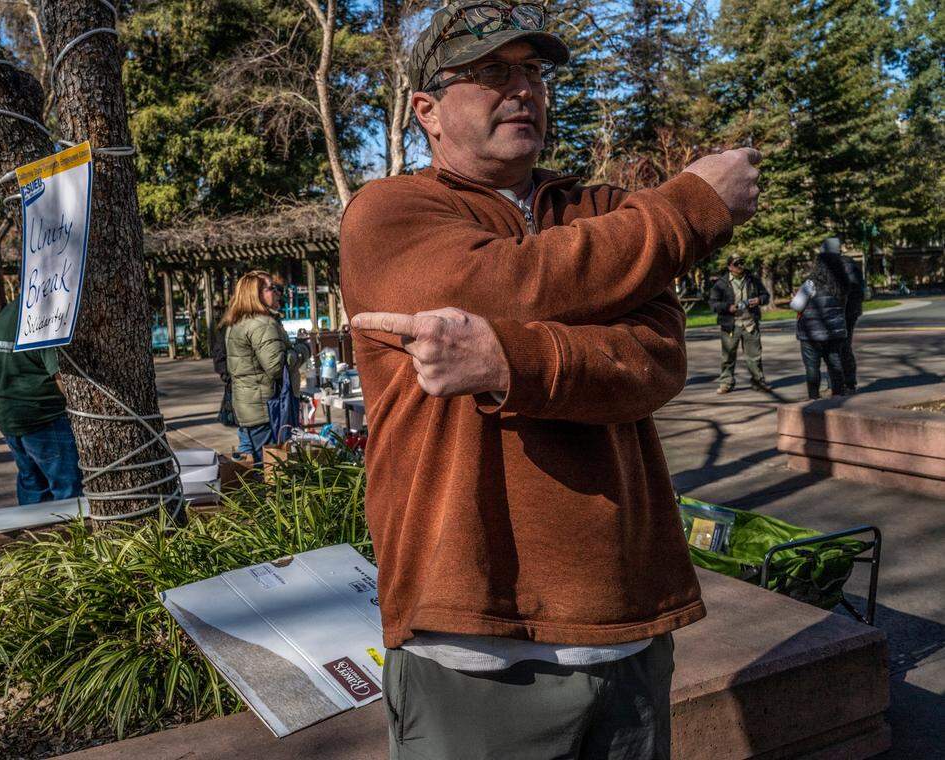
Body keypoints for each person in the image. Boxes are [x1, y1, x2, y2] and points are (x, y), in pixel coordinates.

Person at [339, 2, 760, 757]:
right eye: (493, 72)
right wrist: (690, 207)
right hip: (472, 640)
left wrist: (509, 363)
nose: (524, 89)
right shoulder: (389, 212)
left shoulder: (598, 210)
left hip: (626, 628)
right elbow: (506, 285)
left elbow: (655, 357)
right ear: (426, 111)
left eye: (533, 72)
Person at [0, 297, 83, 505]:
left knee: (33, 487)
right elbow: (60, 377)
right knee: (68, 491)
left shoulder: (6, 314)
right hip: (43, 416)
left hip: (9, 414)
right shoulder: (42, 316)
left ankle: (34, 536)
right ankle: (69, 536)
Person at [222, 271, 309, 464]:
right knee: (273, 470)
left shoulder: (238, 322)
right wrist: (303, 349)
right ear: (256, 294)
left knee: (247, 465)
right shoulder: (262, 324)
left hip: (248, 409)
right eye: (271, 288)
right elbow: (276, 366)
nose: (278, 292)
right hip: (267, 411)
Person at [790, 248, 850, 400]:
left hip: (811, 332)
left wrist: (795, 297)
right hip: (835, 332)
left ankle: (814, 397)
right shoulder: (842, 284)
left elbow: (797, 305)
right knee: (835, 363)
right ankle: (838, 393)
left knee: (812, 366)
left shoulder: (810, 284)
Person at [708, 255, 773, 394]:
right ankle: (726, 383)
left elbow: (766, 297)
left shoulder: (753, 280)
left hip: (750, 324)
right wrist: (728, 307)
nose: (740, 266)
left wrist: (759, 300)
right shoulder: (721, 283)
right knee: (728, 357)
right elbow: (713, 304)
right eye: (736, 263)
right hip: (730, 325)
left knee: (754, 356)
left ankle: (758, 382)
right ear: (729, 266)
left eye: (742, 263)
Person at [827, 238, 866, 393]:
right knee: (834, 348)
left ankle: (847, 383)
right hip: (837, 313)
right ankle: (838, 384)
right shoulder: (832, 266)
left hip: (845, 313)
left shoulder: (846, 265)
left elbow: (848, 291)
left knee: (841, 347)